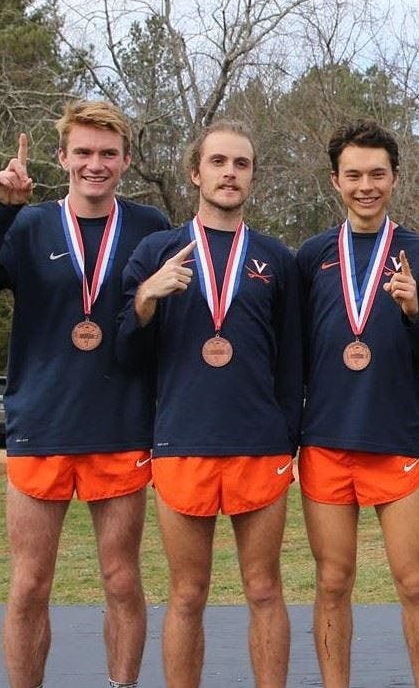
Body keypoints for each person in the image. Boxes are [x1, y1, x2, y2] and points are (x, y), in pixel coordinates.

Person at [0, 100, 170, 688]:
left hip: (119, 424)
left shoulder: (149, 228)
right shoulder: (27, 224)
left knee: (121, 580)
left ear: (124, 161)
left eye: (108, 154)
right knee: (28, 583)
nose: (95, 164)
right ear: (62, 157)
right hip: (40, 425)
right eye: (84, 153)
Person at [117, 120, 302, 688]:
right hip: (182, 442)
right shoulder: (156, 251)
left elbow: (292, 360)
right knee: (188, 592)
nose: (229, 173)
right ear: (196, 172)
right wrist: (147, 295)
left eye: (241, 164)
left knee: (265, 588)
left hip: (258, 445)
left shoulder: (276, 257)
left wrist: (287, 437)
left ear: (252, 178)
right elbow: (124, 350)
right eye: (218, 162)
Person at [296, 120, 419, 687]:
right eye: (353, 174)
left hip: (396, 440)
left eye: (377, 173)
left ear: (395, 178)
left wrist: (413, 312)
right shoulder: (311, 256)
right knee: (333, 581)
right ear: (335, 180)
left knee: (415, 582)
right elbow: (296, 355)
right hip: (326, 444)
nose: (366, 185)